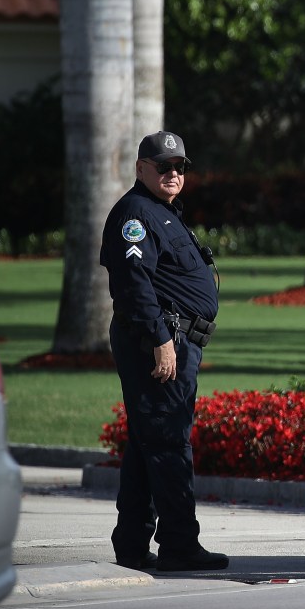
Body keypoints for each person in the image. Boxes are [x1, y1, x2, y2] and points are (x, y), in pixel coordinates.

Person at [100, 131, 228, 572]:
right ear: (141, 169)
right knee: (169, 443)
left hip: (175, 339)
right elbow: (133, 287)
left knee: (147, 444)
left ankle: (132, 545)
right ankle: (178, 544)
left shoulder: (163, 212)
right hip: (158, 342)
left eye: (180, 167)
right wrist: (160, 340)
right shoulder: (136, 214)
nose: (173, 173)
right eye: (163, 166)